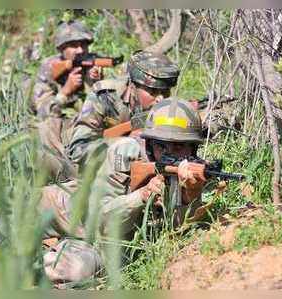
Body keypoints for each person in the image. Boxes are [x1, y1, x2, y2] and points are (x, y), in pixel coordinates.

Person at [40, 97, 207, 285]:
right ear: (150, 144)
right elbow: (100, 220)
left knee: (72, 270)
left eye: (178, 146)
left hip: (100, 243)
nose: (169, 153)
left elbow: (179, 231)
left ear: (193, 148)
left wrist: (191, 194)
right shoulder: (125, 154)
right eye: (161, 145)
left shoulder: (198, 174)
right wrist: (142, 196)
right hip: (65, 208)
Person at [66, 50, 180, 172]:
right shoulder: (105, 95)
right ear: (133, 86)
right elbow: (78, 150)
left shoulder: (167, 107)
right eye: (153, 92)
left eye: (165, 92)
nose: (160, 99)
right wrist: (126, 143)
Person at [32, 20, 102, 181]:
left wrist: (94, 84)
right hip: (59, 127)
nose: (80, 50)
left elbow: (103, 108)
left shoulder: (93, 63)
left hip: (87, 126)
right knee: (45, 128)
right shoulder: (50, 67)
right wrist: (65, 91)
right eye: (74, 45)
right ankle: (66, 176)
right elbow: (43, 113)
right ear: (61, 48)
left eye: (83, 44)